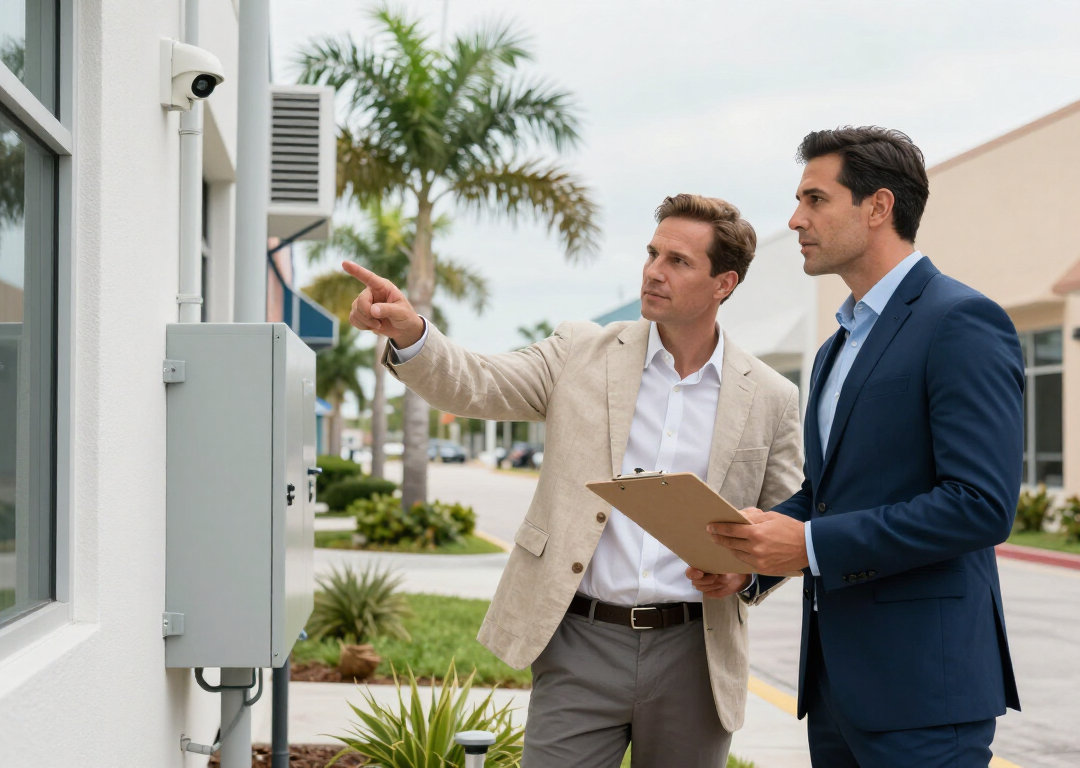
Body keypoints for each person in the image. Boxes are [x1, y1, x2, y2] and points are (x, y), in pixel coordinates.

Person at [343, 193, 804, 768]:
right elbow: (478, 383)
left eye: (678, 261)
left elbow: (788, 519)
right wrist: (413, 334)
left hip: (697, 650)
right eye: (652, 253)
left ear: (724, 283)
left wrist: (747, 576)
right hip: (581, 640)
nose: (653, 271)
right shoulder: (578, 352)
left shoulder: (771, 397)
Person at [708, 127, 1024, 768]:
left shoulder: (961, 321)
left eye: (815, 199)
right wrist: (756, 553)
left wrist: (810, 547)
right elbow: (827, 496)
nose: (796, 220)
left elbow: (980, 505)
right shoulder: (834, 348)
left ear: (877, 207)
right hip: (836, 690)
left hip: (925, 698)